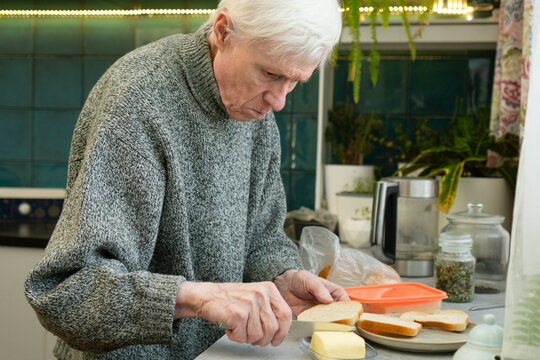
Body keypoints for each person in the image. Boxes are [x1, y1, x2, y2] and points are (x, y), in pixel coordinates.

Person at [24, 0, 344, 359]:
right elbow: (69, 292)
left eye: (294, 82)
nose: (280, 101)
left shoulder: (257, 113)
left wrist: (281, 277)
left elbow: (260, 240)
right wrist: (200, 297)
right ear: (223, 32)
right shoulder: (138, 102)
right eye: (270, 74)